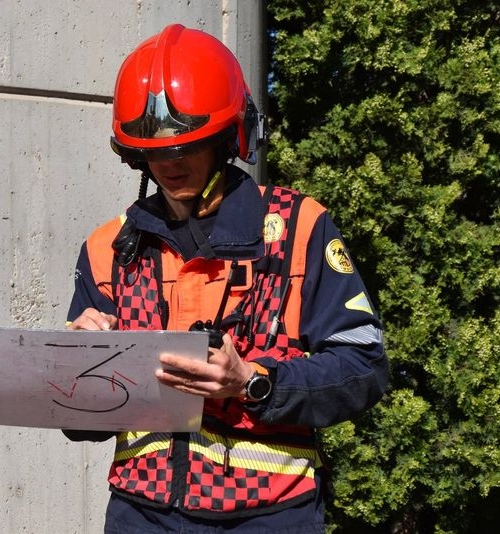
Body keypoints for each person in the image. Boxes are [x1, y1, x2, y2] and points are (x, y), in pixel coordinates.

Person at [63, 24, 388, 533]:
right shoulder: (107, 249)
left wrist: (253, 382)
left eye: (186, 146)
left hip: (270, 517)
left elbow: (363, 368)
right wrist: (77, 367)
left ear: (227, 138)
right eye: (154, 151)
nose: (169, 164)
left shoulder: (299, 230)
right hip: (140, 515)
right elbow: (80, 424)